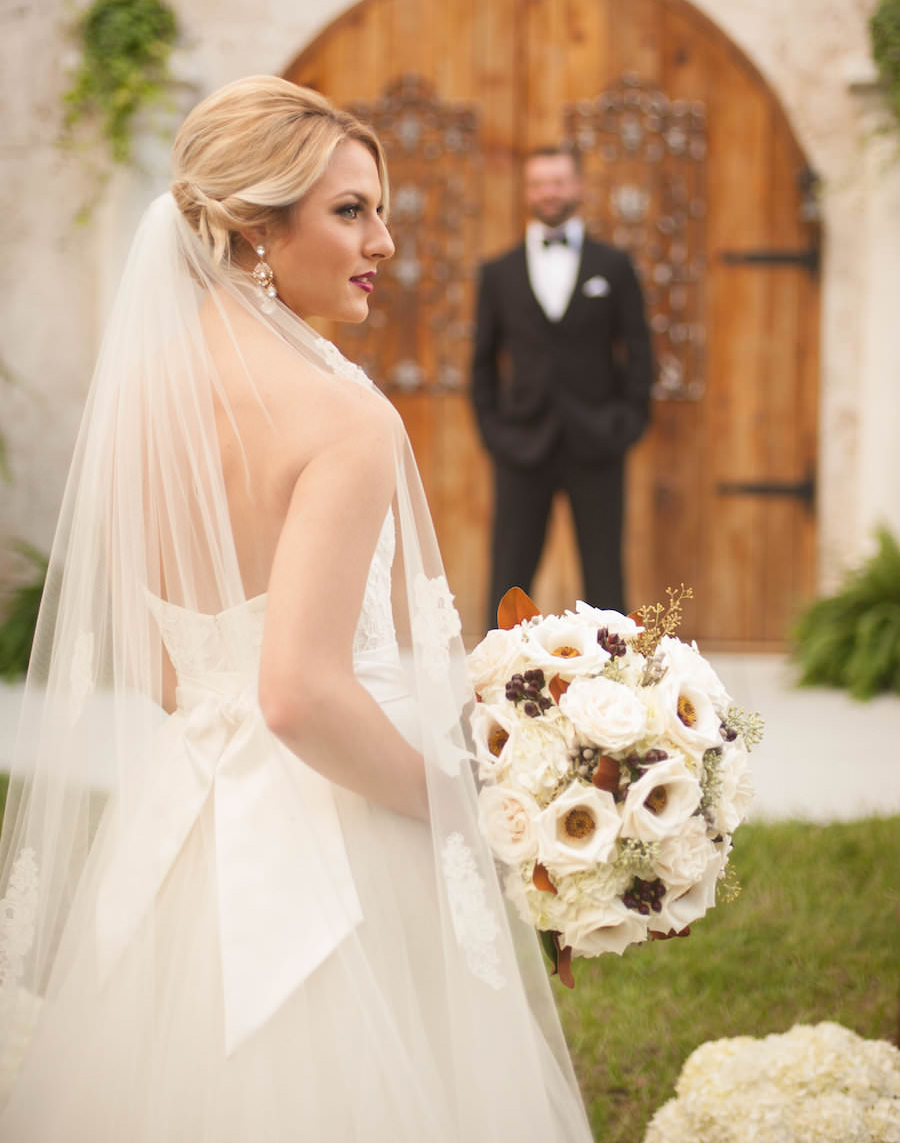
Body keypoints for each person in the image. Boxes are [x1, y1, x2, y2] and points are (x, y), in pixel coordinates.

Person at [0, 79, 593, 1141]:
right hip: (341, 825)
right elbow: (296, 695)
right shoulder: (343, 418)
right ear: (251, 228)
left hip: (182, 819)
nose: (387, 240)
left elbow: (174, 677)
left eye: (381, 208)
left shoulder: (142, 400)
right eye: (352, 210)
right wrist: (465, 811)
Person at [471, 145, 654, 625]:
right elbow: (482, 363)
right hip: (521, 444)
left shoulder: (613, 266)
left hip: (597, 441)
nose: (548, 192)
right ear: (527, 191)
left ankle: (612, 689)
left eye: (557, 181)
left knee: (605, 579)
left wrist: (628, 423)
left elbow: (639, 352)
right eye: (538, 183)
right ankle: (496, 686)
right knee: (509, 577)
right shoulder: (498, 272)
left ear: (577, 187)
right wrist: (495, 433)